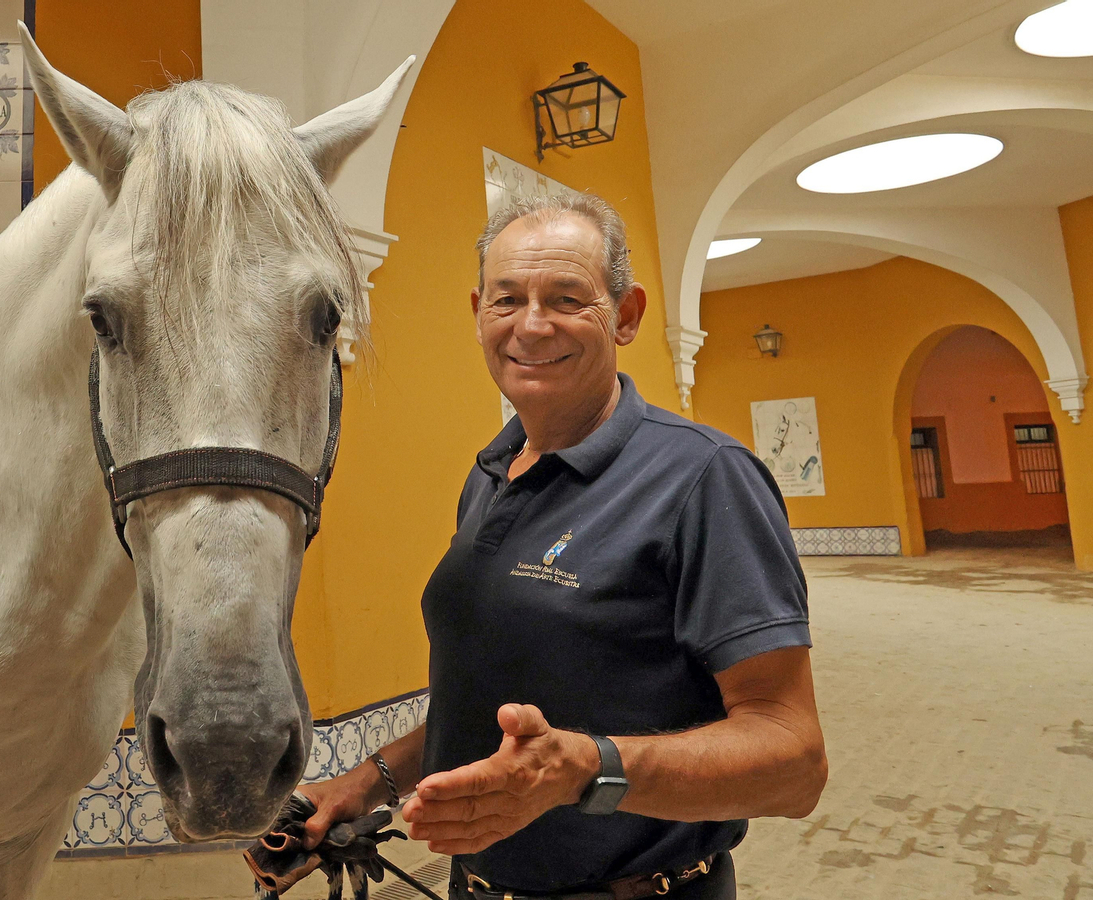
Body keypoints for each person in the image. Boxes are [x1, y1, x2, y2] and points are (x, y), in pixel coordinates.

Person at [297, 193, 828, 900]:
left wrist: (585, 771)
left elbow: (794, 763)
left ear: (627, 315)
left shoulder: (705, 477)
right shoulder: (490, 475)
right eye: (506, 299)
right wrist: (367, 783)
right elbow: (503, 715)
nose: (532, 324)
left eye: (567, 299)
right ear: (478, 314)